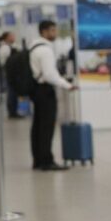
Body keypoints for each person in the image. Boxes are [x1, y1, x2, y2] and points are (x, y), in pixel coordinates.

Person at [29, 20, 77, 171]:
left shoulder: (34, 46)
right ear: (44, 32)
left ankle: (38, 159)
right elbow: (50, 74)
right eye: (52, 31)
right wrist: (67, 85)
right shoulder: (45, 50)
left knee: (37, 126)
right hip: (45, 90)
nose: (54, 34)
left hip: (36, 89)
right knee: (46, 127)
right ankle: (46, 161)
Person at [0, 32, 22, 118]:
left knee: (14, 92)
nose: (14, 37)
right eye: (12, 36)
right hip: (10, 72)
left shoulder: (11, 46)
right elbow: (5, 62)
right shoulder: (4, 48)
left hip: (14, 72)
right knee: (12, 92)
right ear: (6, 38)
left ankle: (14, 110)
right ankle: (12, 112)